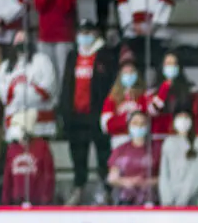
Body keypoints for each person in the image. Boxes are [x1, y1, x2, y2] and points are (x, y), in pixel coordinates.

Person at [63, 22, 118, 204]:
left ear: (95, 33)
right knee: (78, 155)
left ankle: (106, 189)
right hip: (77, 115)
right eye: (82, 32)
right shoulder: (73, 55)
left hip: (97, 115)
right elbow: (67, 86)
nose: (84, 36)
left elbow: (110, 86)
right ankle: (79, 188)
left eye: (88, 32)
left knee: (103, 154)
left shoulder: (105, 56)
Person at [0, 31, 59, 139]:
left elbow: (48, 89)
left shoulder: (43, 60)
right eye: (18, 41)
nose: (21, 43)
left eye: (24, 40)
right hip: (14, 124)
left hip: (40, 124)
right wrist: (21, 92)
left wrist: (24, 93)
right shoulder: (5, 66)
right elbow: (4, 96)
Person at [34, 0, 79, 85]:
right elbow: (39, 6)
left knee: (63, 74)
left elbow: (65, 7)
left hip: (63, 37)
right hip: (46, 36)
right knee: (48, 74)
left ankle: (63, 104)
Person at [0, 110, 57, 206]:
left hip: (37, 203)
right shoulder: (12, 149)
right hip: (16, 203)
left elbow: (48, 177)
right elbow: (7, 179)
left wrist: (45, 200)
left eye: (16, 125)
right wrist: (5, 202)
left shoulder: (42, 147)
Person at [158, 110, 198, 206]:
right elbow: (164, 174)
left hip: (192, 200)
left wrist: (182, 199)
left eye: (186, 117)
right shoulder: (168, 142)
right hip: (171, 201)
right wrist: (166, 199)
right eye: (180, 117)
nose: (183, 121)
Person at [148, 51, 198, 153]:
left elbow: (194, 112)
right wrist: (165, 87)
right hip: (159, 138)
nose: (171, 67)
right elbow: (153, 111)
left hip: (182, 135)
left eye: (174, 64)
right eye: (168, 64)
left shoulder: (189, 89)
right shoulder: (152, 91)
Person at [107, 110, 157, 205]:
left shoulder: (155, 149)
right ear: (129, 126)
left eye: (142, 123)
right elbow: (112, 177)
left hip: (150, 200)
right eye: (135, 123)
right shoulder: (120, 149)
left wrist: (146, 182)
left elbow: (164, 177)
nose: (139, 126)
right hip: (125, 199)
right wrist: (128, 182)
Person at [101, 57, 150, 150]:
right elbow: (106, 126)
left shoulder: (144, 96)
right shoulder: (112, 98)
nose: (129, 75)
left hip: (142, 141)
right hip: (119, 141)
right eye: (126, 73)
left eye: (132, 72)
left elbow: (148, 118)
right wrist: (126, 118)